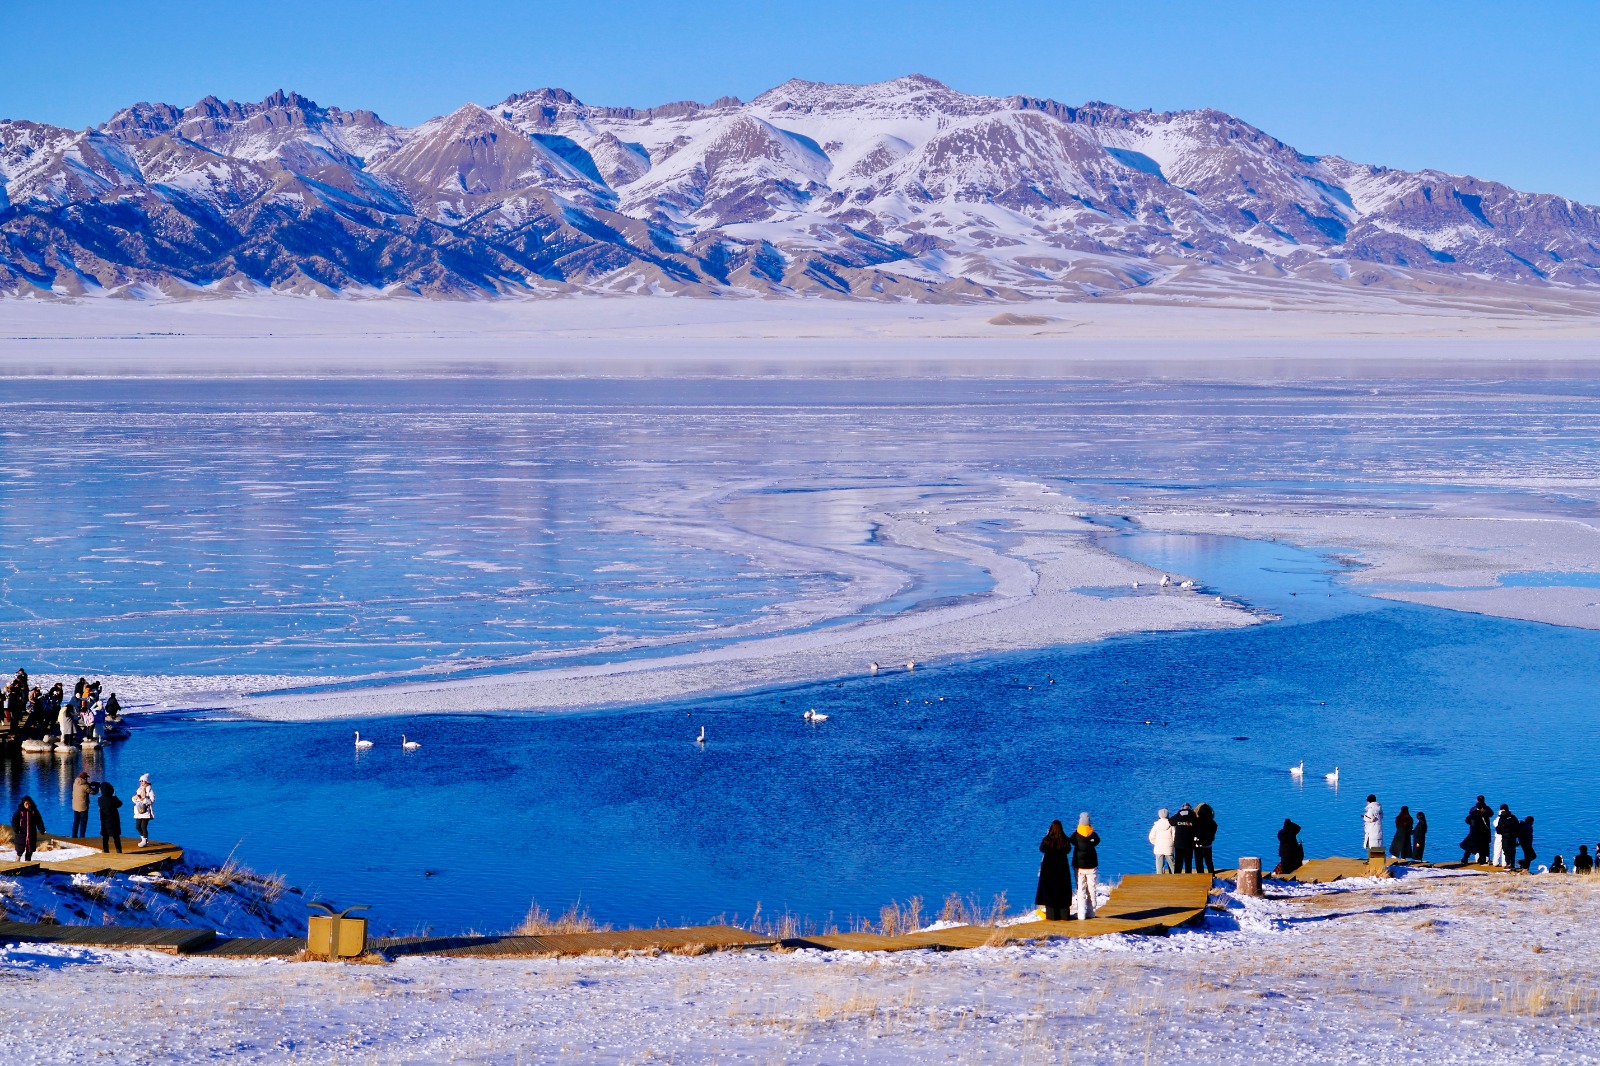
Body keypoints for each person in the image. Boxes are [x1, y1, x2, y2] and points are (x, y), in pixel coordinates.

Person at [1035, 820, 1073, 921]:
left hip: (1049, 868)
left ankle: (1052, 916)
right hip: (1062, 868)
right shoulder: (1065, 840)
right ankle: (1064, 915)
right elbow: (1068, 850)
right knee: (1063, 891)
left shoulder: (1047, 840)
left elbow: (1042, 849)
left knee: (1049, 891)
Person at [1067, 812, 1101, 920]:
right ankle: (1091, 911)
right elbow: (1097, 841)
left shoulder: (1076, 835)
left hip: (1079, 866)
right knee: (1092, 887)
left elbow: (1071, 841)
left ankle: (1081, 913)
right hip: (1092, 866)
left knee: (1081, 888)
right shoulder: (1093, 834)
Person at [10, 796, 46, 862]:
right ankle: (18, 859)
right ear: (23, 804)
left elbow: (39, 821)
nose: (27, 805)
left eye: (28, 804)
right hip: (21, 833)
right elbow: (14, 821)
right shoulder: (20, 811)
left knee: (30, 849)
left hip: (31, 833)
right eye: (26, 804)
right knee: (20, 849)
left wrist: (41, 829)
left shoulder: (34, 811)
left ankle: (28, 861)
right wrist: (16, 829)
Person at [1461, 797, 1492, 864]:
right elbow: (1491, 814)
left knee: (1469, 847)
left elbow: (1467, 820)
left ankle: (1464, 859)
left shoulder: (1473, 811)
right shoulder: (1485, 811)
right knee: (1483, 847)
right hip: (1482, 833)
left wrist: (1472, 824)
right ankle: (1482, 860)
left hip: (1473, 832)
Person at [1170, 803, 1198, 873]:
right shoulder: (1193, 815)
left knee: (1178, 862)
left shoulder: (1178, 815)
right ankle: (1188, 876)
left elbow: (1171, 822)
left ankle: (1177, 876)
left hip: (1179, 843)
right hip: (1189, 843)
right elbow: (1197, 826)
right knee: (1188, 862)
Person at [97, 782, 124, 854]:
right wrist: (115, 796)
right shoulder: (113, 799)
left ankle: (106, 851)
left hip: (104, 819)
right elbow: (120, 804)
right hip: (113, 820)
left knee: (105, 837)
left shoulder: (100, 799)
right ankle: (119, 851)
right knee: (116, 836)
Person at [1148, 808, 1176, 874]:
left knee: (1159, 866)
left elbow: (1151, 837)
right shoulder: (1171, 825)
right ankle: (1174, 877)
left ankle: (1160, 878)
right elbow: (1174, 836)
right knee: (1172, 864)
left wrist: (1156, 843)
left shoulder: (1156, 825)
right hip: (1169, 847)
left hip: (1158, 847)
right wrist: (1172, 844)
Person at [71, 771, 97, 838]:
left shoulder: (75, 783)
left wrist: (90, 784)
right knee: (83, 823)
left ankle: (74, 836)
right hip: (83, 808)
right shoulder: (85, 786)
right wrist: (97, 786)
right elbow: (93, 792)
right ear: (85, 778)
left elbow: (84, 784)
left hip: (75, 807)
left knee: (76, 822)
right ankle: (82, 837)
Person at [1194, 803, 1218, 874]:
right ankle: (1212, 873)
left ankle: (1200, 874)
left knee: (1199, 861)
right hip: (1208, 844)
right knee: (1209, 861)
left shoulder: (1197, 821)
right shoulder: (1213, 823)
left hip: (1198, 844)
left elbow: (1195, 831)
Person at [132, 774, 155, 847]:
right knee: (137, 826)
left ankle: (144, 841)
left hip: (146, 811)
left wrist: (143, 799)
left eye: (143, 781)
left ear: (146, 781)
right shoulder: (139, 789)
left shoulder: (149, 789)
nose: (141, 782)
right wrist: (135, 798)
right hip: (139, 810)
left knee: (143, 826)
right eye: (140, 781)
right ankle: (143, 838)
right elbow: (134, 800)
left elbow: (152, 800)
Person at [1495, 805, 1519, 869]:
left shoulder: (1501, 818)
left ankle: (1508, 863)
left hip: (1505, 837)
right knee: (1512, 851)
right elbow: (1518, 827)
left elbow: (1498, 830)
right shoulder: (1513, 817)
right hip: (1513, 837)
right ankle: (1512, 864)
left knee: (1506, 851)